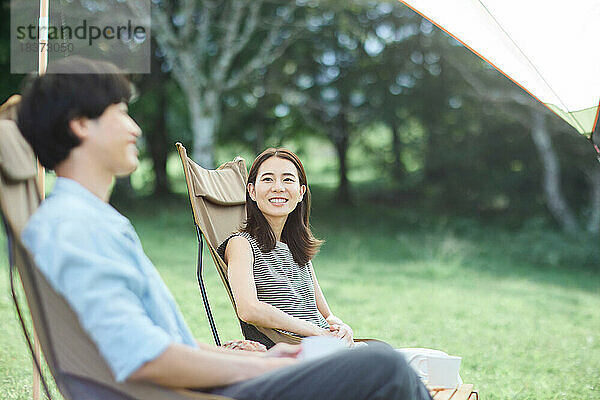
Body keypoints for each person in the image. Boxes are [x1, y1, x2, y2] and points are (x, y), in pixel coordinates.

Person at [18, 57, 432, 400]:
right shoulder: (71, 227)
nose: (136, 129)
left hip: (212, 381)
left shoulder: (95, 222)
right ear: (79, 123)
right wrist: (251, 367)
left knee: (381, 364)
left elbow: (163, 342)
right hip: (197, 393)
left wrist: (264, 360)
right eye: (121, 113)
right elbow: (146, 356)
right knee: (385, 366)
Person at [218, 147, 462, 383]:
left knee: (440, 365)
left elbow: (325, 314)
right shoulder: (241, 244)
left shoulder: (297, 249)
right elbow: (248, 309)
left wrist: (340, 326)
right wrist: (314, 332)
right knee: (412, 370)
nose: (278, 188)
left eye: (288, 179)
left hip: (332, 350)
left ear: (301, 192)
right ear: (251, 190)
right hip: (303, 358)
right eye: (268, 179)